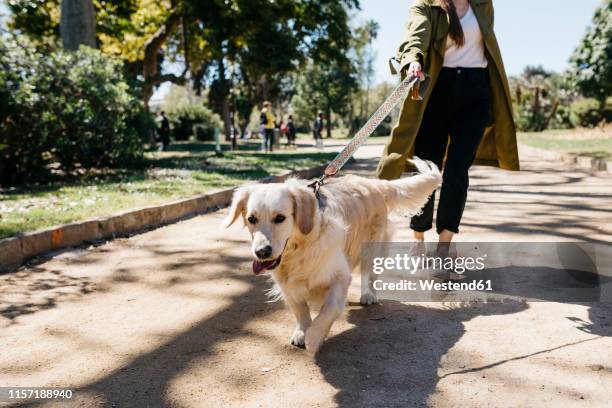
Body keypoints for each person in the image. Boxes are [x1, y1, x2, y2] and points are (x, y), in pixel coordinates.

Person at [377, 0, 519, 247]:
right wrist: (413, 60)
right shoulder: (425, 6)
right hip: (437, 91)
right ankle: (418, 236)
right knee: (427, 167)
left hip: (476, 92)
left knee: (457, 170)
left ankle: (444, 244)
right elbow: (415, 36)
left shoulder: (483, 5)